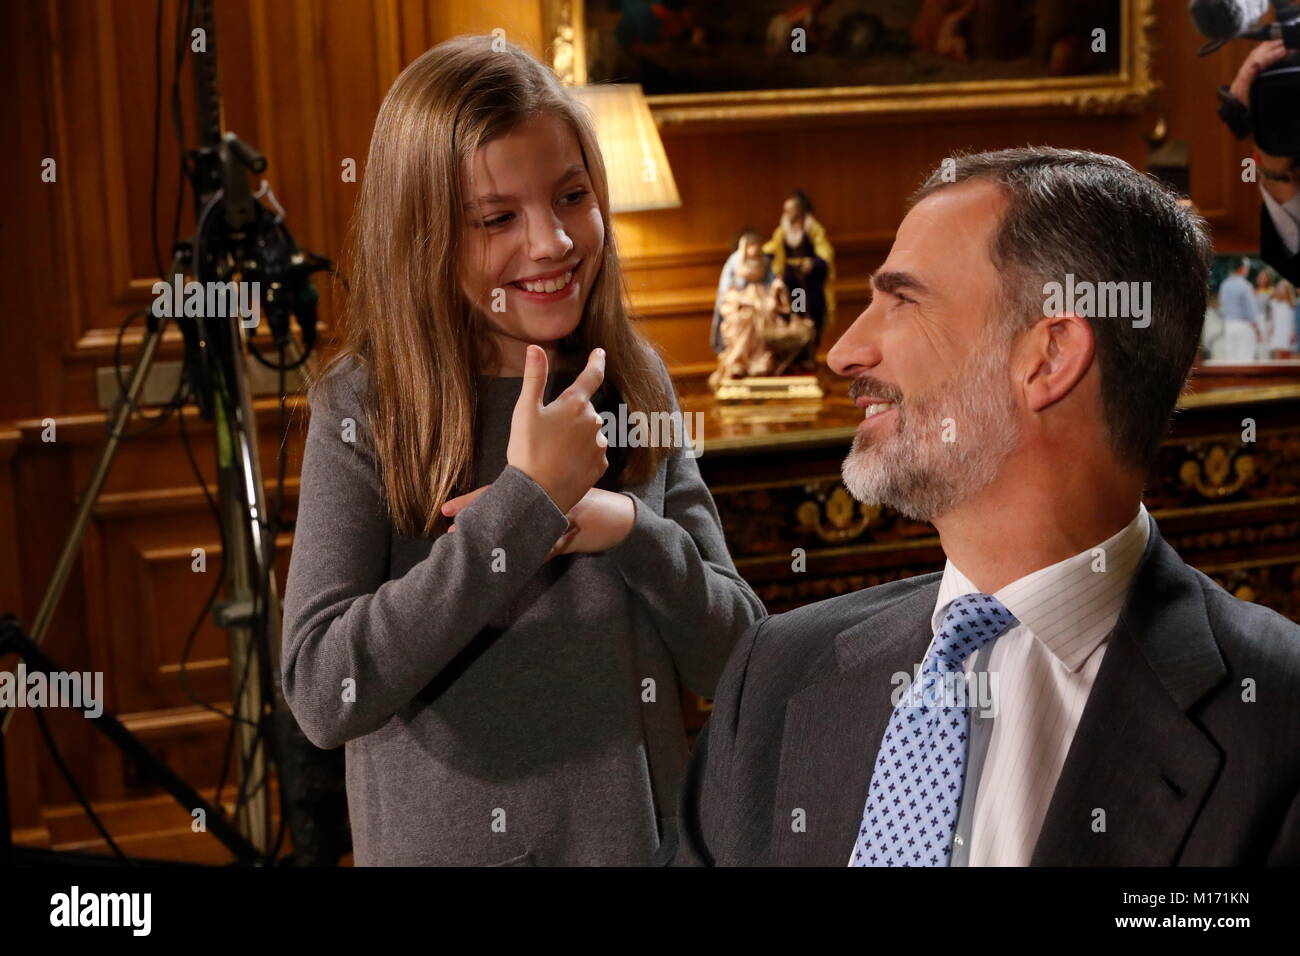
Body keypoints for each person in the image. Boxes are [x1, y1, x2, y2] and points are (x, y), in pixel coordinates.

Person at [672, 147, 1300, 867]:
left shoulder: (1277, 720)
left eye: (901, 300)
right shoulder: (776, 673)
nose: (844, 351)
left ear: (1049, 357)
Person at [279, 34, 765, 866]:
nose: (551, 243)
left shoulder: (634, 377)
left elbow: (737, 663)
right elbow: (325, 690)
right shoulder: (365, 405)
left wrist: (632, 531)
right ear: (424, 234)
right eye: (498, 218)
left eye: (572, 197)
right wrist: (523, 509)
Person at [1219, 258, 1261, 362]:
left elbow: (1222, 306)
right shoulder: (1245, 286)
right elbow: (1250, 310)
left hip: (1229, 325)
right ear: (1243, 269)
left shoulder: (1224, 285)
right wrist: (1257, 330)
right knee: (1245, 359)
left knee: (1231, 359)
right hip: (1244, 326)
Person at [1267, 279, 1297, 357]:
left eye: (1284, 288)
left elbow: (1293, 320)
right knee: (1279, 351)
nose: (1281, 290)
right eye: (1280, 288)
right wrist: (1271, 328)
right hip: (1278, 330)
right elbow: (1272, 318)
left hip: (1288, 331)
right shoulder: (1275, 303)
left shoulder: (1292, 304)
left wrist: (1293, 332)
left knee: (1288, 351)